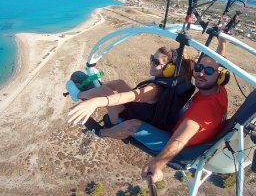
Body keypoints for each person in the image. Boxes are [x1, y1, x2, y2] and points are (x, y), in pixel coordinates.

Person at [140, 36, 228, 183]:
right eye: (199, 68)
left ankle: (100, 131)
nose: (201, 73)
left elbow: (180, 141)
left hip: (179, 149)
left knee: (132, 125)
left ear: (220, 76)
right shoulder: (219, 89)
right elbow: (219, 62)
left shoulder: (202, 110)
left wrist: (158, 164)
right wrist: (222, 42)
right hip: (190, 137)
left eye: (208, 71)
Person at [67, 47, 195, 139]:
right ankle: (96, 89)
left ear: (170, 69)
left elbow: (128, 96)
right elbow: (190, 64)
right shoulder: (173, 80)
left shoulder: (153, 90)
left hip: (122, 119)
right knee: (119, 83)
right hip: (139, 110)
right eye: (152, 58)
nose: (151, 63)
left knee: (103, 91)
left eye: (156, 62)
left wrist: (96, 101)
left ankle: (77, 94)